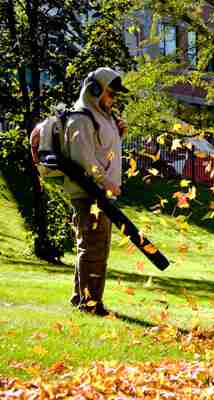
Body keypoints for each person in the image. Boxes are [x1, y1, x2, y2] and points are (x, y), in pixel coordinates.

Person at [65, 67, 128, 316]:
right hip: (89, 192)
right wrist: (106, 182)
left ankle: (80, 296)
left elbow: (104, 153)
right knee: (92, 248)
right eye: (110, 93)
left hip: (102, 194)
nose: (113, 99)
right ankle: (91, 304)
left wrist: (118, 133)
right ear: (95, 90)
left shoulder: (103, 117)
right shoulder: (81, 118)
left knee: (95, 247)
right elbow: (84, 159)